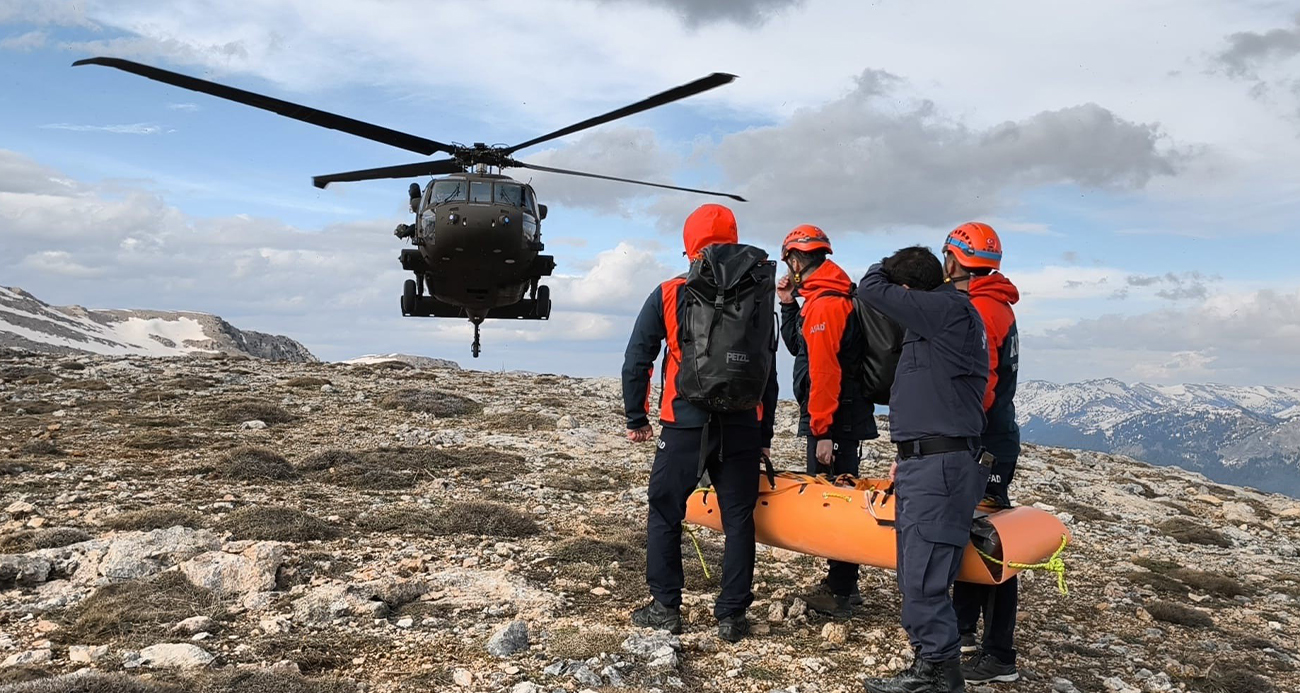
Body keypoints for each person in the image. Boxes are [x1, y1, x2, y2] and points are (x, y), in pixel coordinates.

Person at [621, 203, 778, 644]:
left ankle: (665, 607)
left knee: (665, 511)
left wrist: (637, 416)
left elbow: (637, 359)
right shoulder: (758, 293)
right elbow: (767, 369)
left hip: (684, 422)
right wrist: (764, 434)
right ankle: (732, 616)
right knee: (739, 519)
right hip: (743, 424)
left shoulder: (670, 291)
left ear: (690, 244)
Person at [857, 246, 990, 693]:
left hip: (940, 467)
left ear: (909, 290)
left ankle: (938, 673)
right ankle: (930, 666)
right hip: (928, 462)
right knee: (917, 571)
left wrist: (884, 267)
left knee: (924, 576)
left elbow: (870, 288)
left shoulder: (946, 310)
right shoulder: (944, 316)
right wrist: (909, 455)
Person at [776, 224, 877, 619]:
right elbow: (799, 349)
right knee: (839, 494)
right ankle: (843, 582)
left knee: (836, 501)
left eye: (789, 261)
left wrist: (822, 431)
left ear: (796, 260)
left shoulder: (826, 305)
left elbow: (824, 373)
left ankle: (841, 591)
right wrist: (788, 304)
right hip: (840, 417)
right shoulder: (821, 299)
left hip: (835, 420)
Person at [942, 223, 1022, 684]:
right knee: (970, 529)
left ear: (955, 260)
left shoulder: (982, 310)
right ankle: (964, 629)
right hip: (994, 436)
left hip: (984, 440)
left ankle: (999, 655)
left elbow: (981, 386)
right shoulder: (995, 304)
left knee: (991, 539)